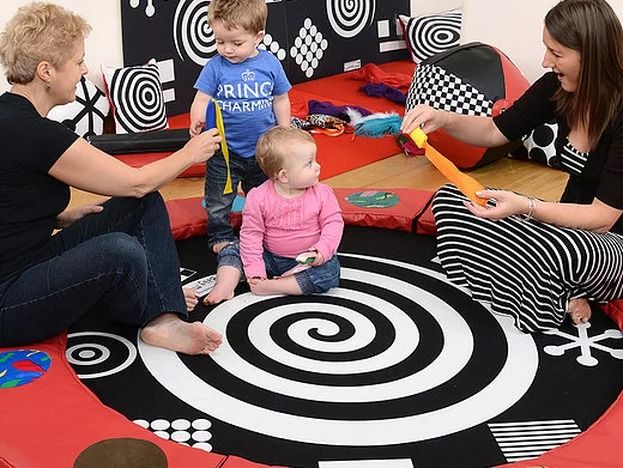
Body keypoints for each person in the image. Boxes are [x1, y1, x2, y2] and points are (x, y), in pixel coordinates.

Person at [0, 3, 223, 355]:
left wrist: (57, 217)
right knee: (121, 251)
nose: (84, 70)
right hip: (8, 302)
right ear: (46, 70)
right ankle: (153, 311)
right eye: (78, 62)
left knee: (142, 205)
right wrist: (190, 153)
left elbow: (9, 193)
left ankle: (163, 315)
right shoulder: (34, 132)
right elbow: (136, 181)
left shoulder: (9, 115)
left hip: (31, 258)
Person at [401, 0, 623, 333]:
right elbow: (494, 131)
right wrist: (443, 117)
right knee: (453, 200)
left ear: (591, 56)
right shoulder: (558, 88)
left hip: (608, 240)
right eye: (547, 49)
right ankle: (554, 285)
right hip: (567, 226)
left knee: (555, 248)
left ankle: (550, 289)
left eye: (557, 54)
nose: (546, 61)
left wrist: (527, 208)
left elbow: (603, 218)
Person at [188, 0, 291, 304]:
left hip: (263, 149)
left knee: (264, 195)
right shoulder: (215, 67)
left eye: (236, 42)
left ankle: (263, 231)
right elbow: (201, 99)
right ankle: (220, 235)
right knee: (219, 197)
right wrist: (197, 119)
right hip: (225, 150)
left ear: (258, 36)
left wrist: (283, 130)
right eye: (220, 41)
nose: (227, 49)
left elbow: (281, 99)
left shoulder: (269, 64)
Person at [240, 126, 343, 296]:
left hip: (308, 262)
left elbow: (333, 224)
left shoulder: (323, 193)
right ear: (284, 176)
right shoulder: (258, 197)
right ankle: (227, 283)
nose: (318, 166)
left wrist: (321, 251)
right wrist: (255, 270)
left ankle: (275, 286)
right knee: (233, 250)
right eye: (309, 163)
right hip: (270, 258)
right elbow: (251, 234)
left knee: (329, 272)